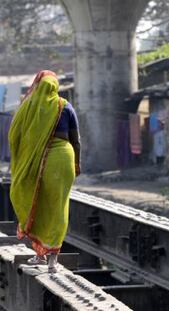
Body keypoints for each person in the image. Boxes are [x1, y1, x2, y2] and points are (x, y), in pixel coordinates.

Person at [8, 70, 81, 273]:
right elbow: (76, 140)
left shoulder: (29, 107)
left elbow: (15, 135)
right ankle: (52, 261)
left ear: (37, 85)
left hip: (39, 160)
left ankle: (40, 254)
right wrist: (77, 163)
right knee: (59, 207)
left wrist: (24, 158)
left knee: (37, 203)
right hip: (64, 159)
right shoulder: (65, 106)